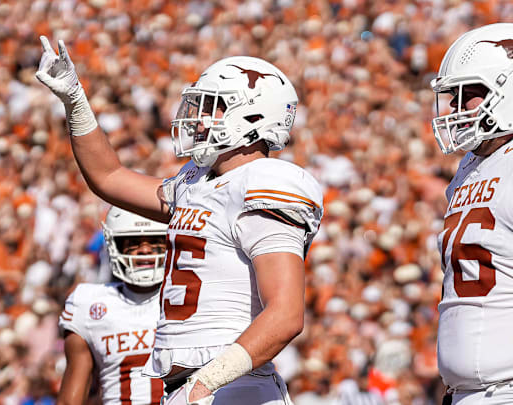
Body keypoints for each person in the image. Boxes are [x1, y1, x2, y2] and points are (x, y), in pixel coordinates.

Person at [37, 37, 323, 405]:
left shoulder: (265, 182)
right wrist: (75, 100)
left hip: (231, 385)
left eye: (215, 108)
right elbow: (108, 178)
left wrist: (206, 383)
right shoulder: (195, 183)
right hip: (197, 387)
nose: (199, 117)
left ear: (252, 117)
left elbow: (285, 314)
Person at [430, 23, 513, 405]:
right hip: (467, 392)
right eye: (453, 97)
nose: (454, 109)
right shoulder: (471, 166)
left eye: (469, 96)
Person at [58, 207, 167, 405]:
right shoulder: (88, 303)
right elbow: (69, 400)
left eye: (154, 241)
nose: (144, 250)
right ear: (114, 244)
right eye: (133, 243)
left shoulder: (191, 297)